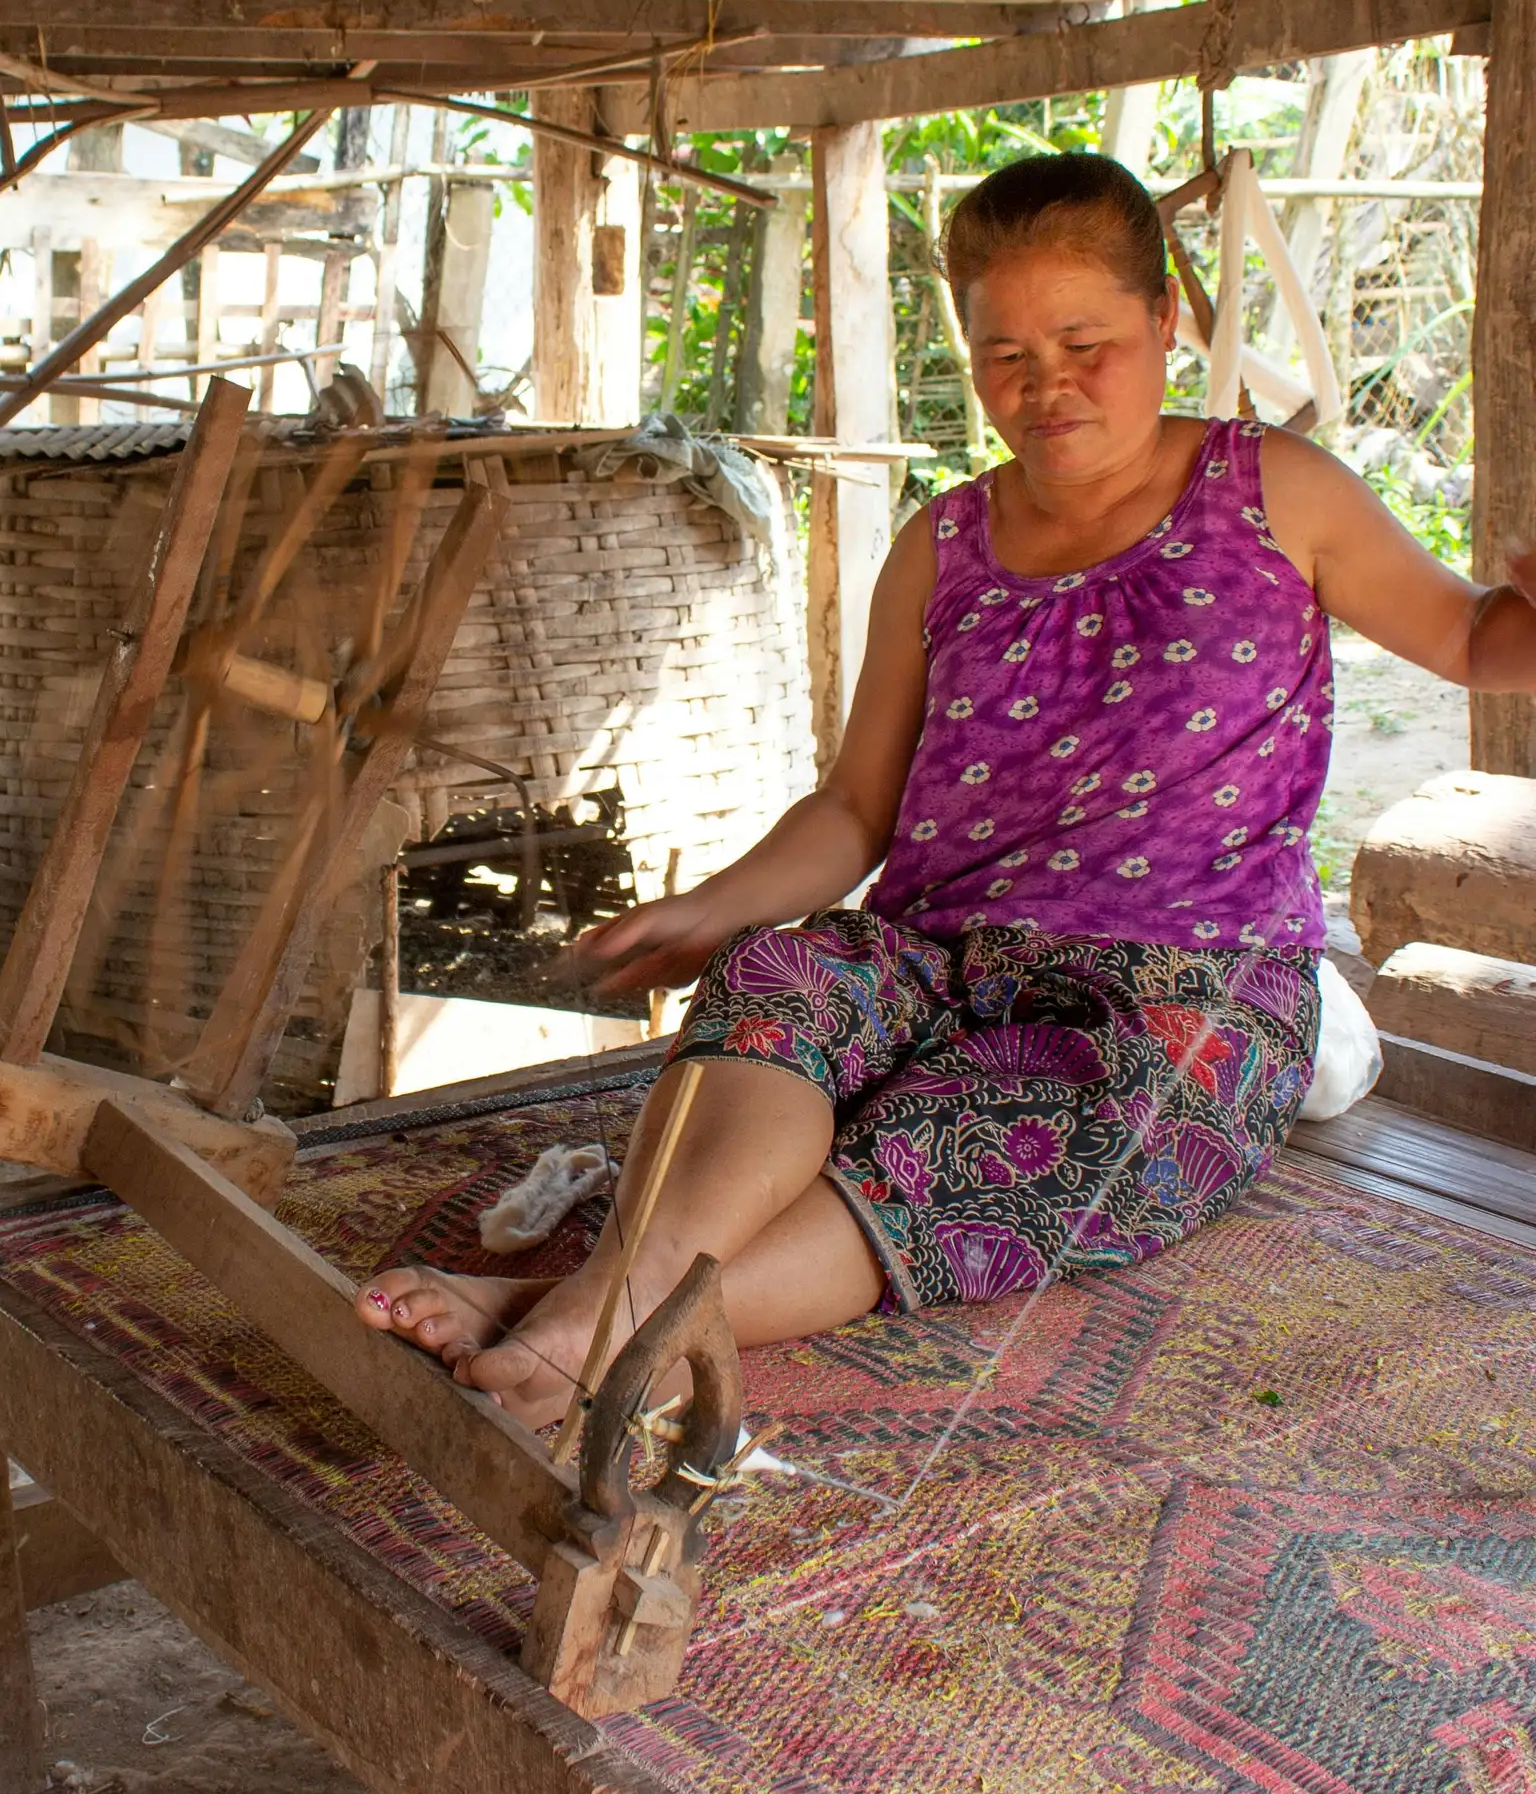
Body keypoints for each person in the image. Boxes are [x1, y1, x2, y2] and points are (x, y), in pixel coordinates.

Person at [356, 151, 1536, 1429]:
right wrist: (713, 907)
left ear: (1167, 319)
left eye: (1087, 341)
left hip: (1186, 996)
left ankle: (575, 1318)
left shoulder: (1275, 492)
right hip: (943, 958)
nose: (1048, 386)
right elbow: (856, 810)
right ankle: (607, 1302)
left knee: (1013, 1134)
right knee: (782, 973)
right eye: (1006, 356)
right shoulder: (944, 546)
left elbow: (1474, 641)